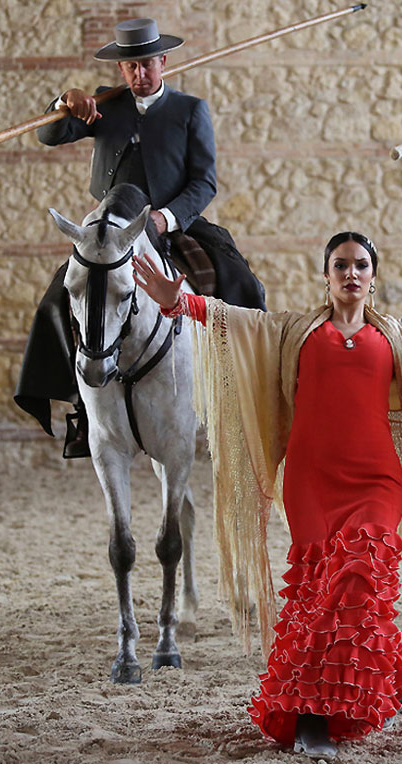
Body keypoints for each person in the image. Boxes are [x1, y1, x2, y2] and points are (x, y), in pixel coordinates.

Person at [133, 232, 402, 758]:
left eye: (361, 265)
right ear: (327, 275)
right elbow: (237, 323)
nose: (351, 273)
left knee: (359, 578)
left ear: (374, 277)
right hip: (311, 482)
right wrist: (181, 303)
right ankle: (392, 678)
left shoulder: (400, 336)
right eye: (341, 265)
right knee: (318, 592)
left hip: (377, 480)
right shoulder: (295, 330)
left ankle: (315, 718)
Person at [14, 18, 266, 458]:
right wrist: (65, 101)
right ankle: (81, 411)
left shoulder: (190, 110)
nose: (138, 74)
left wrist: (168, 219)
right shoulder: (104, 105)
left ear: (162, 61)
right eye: (130, 67)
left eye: (146, 64)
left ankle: (242, 397)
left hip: (169, 224)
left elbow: (204, 183)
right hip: (108, 229)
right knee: (59, 297)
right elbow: (48, 134)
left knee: (239, 282)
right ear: (122, 70)